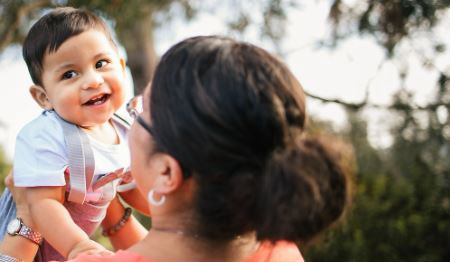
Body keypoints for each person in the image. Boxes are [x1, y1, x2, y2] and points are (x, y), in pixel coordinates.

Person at [0, 35, 350, 262]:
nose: (125, 119)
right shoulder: (280, 251)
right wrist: (113, 213)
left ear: (166, 172)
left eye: (139, 112)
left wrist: (29, 218)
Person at [0, 7, 148, 261]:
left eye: (101, 63)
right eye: (70, 74)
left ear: (122, 68)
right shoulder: (45, 135)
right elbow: (42, 205)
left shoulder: (124, 128)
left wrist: (170, 210)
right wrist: (79, 247)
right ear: (44, 97)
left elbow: (132, 188)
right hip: (20, 247)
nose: (92, 80)